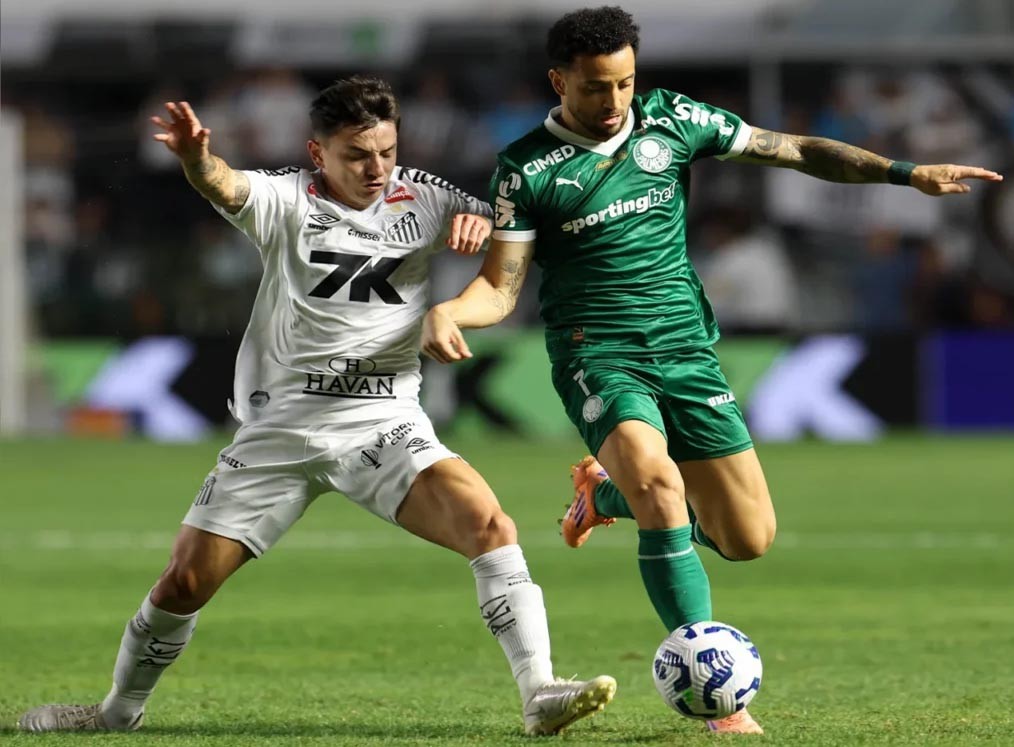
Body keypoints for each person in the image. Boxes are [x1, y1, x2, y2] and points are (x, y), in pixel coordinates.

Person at [419, 7, 1003, 735]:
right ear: (559, 81)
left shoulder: (674, 120)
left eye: (625, 83)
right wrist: (451, 311)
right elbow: (501, 287)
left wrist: (904, 174)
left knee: (746, 538)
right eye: (596, 87)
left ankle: (603, 496)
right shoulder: (527, 167)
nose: (614, 101)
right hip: (598, 353)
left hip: (688, 350)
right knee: (660, 484)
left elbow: (795, 150)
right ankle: (720, 696)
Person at [18, 75, 615, 737]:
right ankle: (115, 712)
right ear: (317, 152)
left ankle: (539, 693)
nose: (376, 168)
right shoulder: (287, 198)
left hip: (383, 423)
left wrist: (482, 223)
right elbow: (226, 185)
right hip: (281, 428)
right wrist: (195, 158)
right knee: (183, 583)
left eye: (386, 151)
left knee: (489, 524)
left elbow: (511, 237)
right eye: (356, 155)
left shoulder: (426, 197)